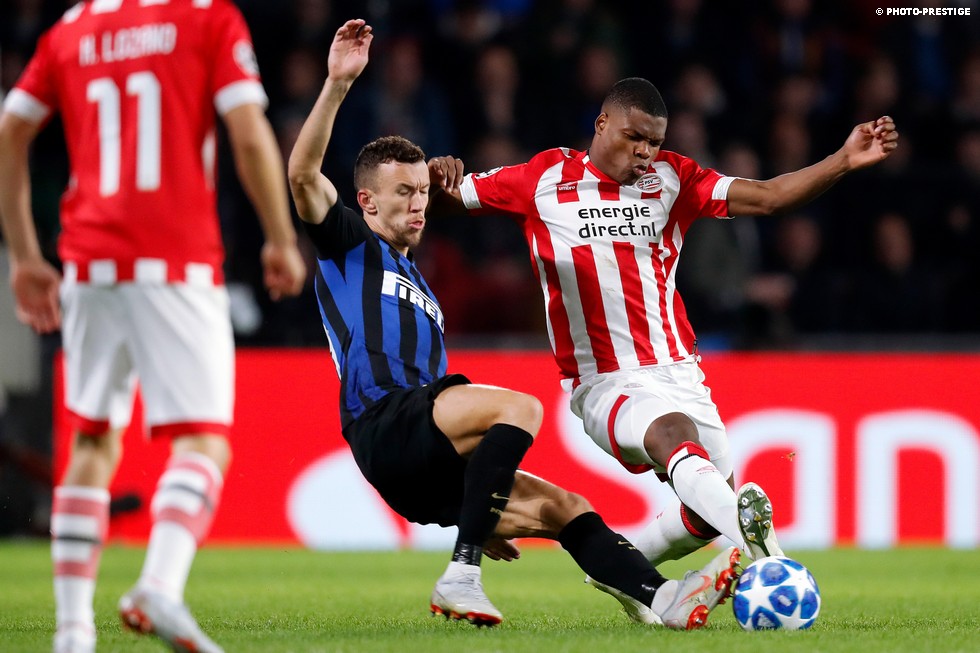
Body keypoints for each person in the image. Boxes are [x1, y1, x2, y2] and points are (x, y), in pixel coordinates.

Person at [287, 19, 739, 631]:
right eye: (402, 193)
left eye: (422, 191)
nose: (418, 203)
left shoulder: (418, 280)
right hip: (385, 421)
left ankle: (664, 601)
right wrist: (339, 84)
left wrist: (481, 502)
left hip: (422, 463)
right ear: (365, 201)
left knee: (566, 508)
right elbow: (302, 176)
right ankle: (462, 572)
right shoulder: (348, 245)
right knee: (520, 408)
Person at [429, 77, 899, 570]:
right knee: (676, 435)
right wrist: (432, 175)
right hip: (606, 380)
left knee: (707, 514)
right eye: (634, 137)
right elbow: (437, 201)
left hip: (682, 373)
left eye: (654, 142)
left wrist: (844, 159)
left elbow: (768, 197)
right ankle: (772, 561)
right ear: (602, 124)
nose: (644, 152)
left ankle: (620, 570)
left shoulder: (674, 179)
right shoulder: (543, 177)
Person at [0, 1, 306, 652]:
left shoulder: (71, 29)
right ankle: (159, 585)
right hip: (174, 260)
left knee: (92, 442)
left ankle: (73, 631)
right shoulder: (208, 17)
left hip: (88, 264)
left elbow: (10, 128)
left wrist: (25, 254)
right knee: (204, 442)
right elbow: (249, 133)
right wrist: (280, 237)